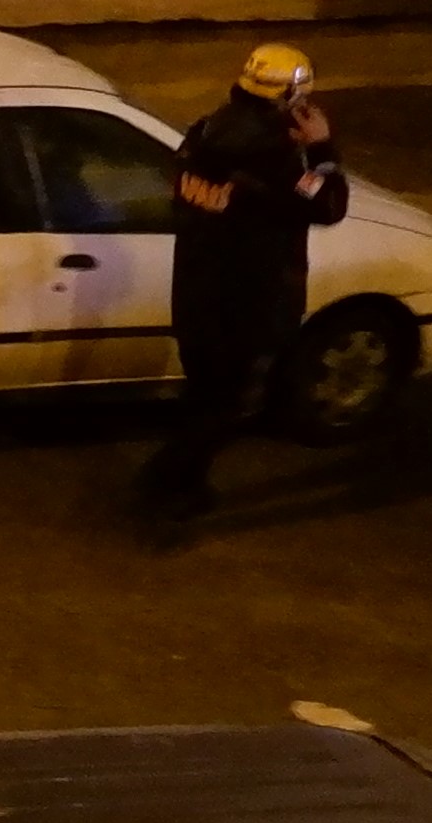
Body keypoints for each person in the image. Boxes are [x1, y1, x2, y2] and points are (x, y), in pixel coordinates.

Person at [135, 43, 353, 520]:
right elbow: (329, 205)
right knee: (233, 404)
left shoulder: (203, 133)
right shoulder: (277, 156)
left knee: (203, 396)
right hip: (250, 303)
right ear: (293, 94)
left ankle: (186, 487)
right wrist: (321, 147)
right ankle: (162, 480)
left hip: (194, 294)